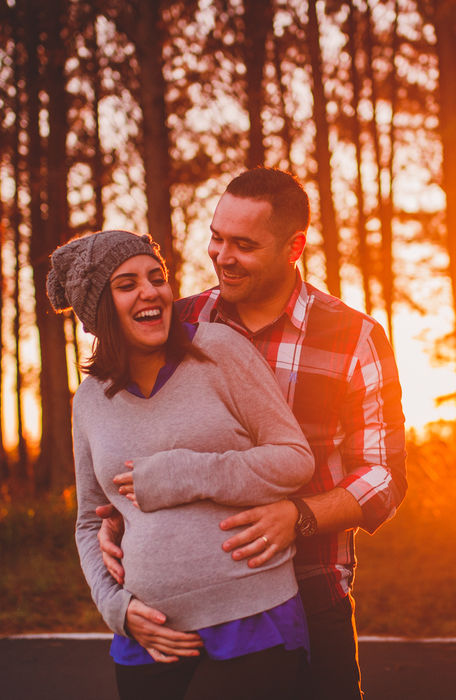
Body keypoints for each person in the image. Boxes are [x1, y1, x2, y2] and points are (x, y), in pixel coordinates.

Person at [97, 168, 408, 700]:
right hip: (184, 609)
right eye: (217, 237)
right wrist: (114, 521)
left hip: (311, 600)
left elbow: (384, 476)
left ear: (294, 247)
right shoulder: (177, 322)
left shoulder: (355, 337)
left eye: (243, 245)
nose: (222, 255)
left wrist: (299, 517)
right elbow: (125, 441)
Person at [46, 229, 316, 700]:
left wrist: (186, 473)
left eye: (157, 277)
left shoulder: (221, 351)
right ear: (99, 310)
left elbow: (294, 460)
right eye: (127, 284)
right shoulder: (89, 400)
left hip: (252, 620)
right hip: (148, 638)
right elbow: (90, 523)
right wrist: (116, 608)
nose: (151, 292)